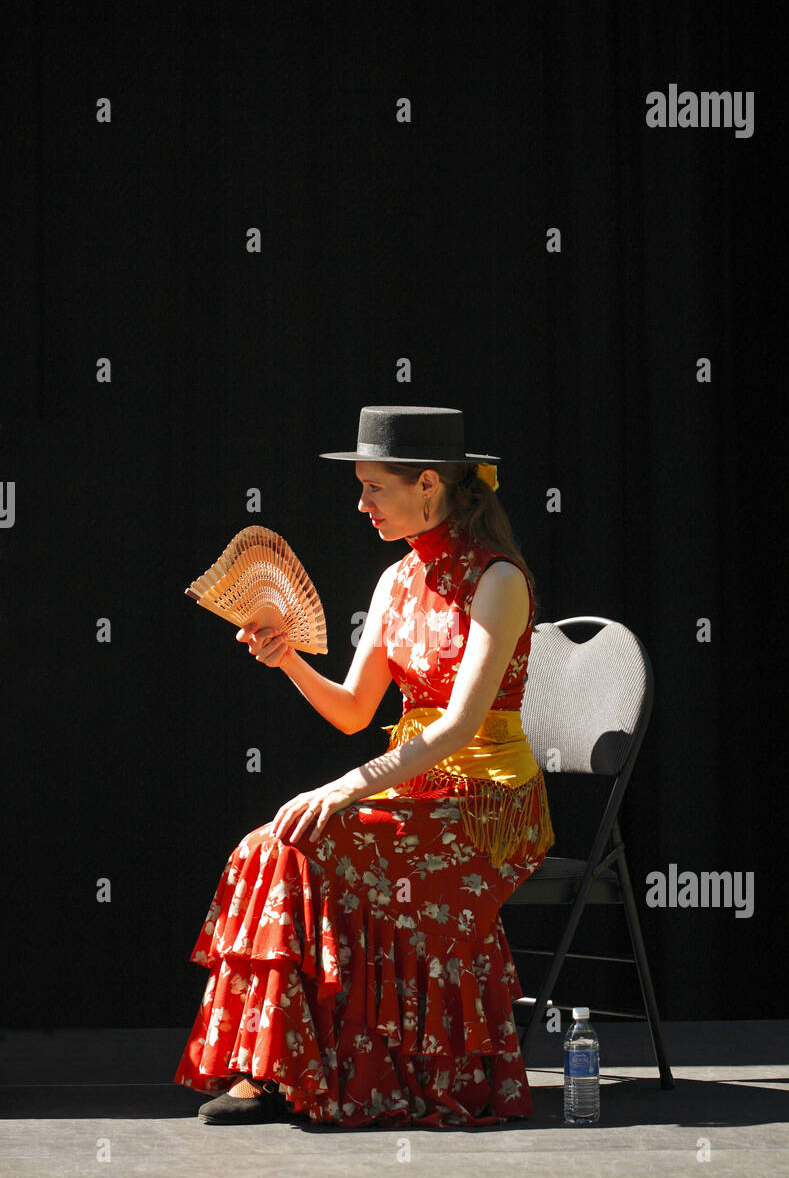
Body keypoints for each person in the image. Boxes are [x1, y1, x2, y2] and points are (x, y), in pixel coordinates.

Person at [173, 405, 555, 1127]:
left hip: (485, 805)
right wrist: (287, 658)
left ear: (428, 486)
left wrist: (350, 784)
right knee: (271, 847)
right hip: (415, 788)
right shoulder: (395, 581)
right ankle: (271, 1070)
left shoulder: (496, 580)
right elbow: (354, 711)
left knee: (316, 835)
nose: (361, 504)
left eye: (374, 487)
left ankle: (309, 1071)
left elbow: (461, 725)